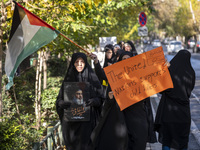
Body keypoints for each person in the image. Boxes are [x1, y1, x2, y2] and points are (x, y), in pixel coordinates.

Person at [56, 52, 104, 150]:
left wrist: (95, 101)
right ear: (73, 63)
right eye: (77, 62)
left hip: (89, 125)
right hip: (72, 126)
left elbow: (101, 98)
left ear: (86, 63)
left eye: (82, 61)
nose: (79, 64)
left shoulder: (92, 78)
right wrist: (61, 103)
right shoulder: (68, 79)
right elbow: (59, 100)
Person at [154, 50, 195, 150]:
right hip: (183, 113)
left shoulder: (170, 70)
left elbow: (161, 88)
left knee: (167, 139)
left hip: (168, 111)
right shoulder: (191, 73)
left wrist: (164, 70)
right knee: (182, 140)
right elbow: (189, 91)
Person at [118, 51, 157, 150]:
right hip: (124, 120)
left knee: (139, 145)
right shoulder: (116, 78)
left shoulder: (141, 76)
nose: (126, 61)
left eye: (129, 59)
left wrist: (165, 69)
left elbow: (156, 77)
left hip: (140, 119)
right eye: (124, 59)